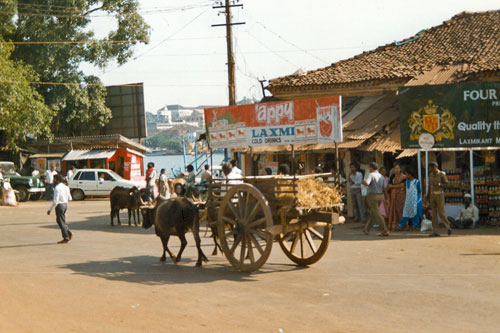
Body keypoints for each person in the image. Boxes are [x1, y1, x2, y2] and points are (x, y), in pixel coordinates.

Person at [362, 162, 390, 236]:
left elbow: (367, 183)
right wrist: (386, 198)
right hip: (380, 195)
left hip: (372, 195)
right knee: (373, 212)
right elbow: (384, 188)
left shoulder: (371, 175)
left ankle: (385, 230)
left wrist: (363, 182)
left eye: (369, 167)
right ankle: (366, 229)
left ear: (371, 168)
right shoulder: (381, 176)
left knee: (377, 213)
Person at [426, 162, 451, 237]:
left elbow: (447, 184)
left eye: (430, 167)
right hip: (432, 195)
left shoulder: (441, 174)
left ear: (434, 167)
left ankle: (448, 227)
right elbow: (430, 186)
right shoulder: (430, 175)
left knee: (441, 213)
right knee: (434, 214)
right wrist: (427, 195)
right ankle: (435, 231)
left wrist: (439, 185)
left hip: (440, 195)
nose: (429, 169)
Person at [47, 174, 73, 244]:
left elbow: (55, 201)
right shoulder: (66, 187)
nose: (53, 180)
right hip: (65, 205)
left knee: (61, 222)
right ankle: (68, 232)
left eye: (54, 179)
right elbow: (70, 198)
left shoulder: (57, 188)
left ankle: (66, 237)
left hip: (60, 206)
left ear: (57, 180)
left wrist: (50, 209)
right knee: (60, 220)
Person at [387, 163, 406, 231]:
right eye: (395, 168)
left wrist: (393, 187)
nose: (396, 170)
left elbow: (402, 185)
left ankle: (402, 225)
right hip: (393, 195)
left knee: (401, 209)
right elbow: (389, 186)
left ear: (400, 169)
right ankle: (393, 225)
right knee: (392, 209)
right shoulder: (392, 176)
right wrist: (397, 186)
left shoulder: (403, 177)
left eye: (398, 168)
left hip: (401, 196)